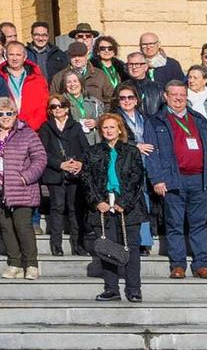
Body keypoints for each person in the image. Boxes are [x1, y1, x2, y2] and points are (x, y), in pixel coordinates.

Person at [0, 96, 47, 280]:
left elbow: (40, 158)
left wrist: (25, 177)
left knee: (23, 226)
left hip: (21, 189)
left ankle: (31, 264)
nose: (6, 117)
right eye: (1, 113)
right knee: (6, 228)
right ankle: (14, 263)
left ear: (15, 114)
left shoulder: (27, 133)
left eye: (9, 113)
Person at [151, 81, 207, 279]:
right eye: (174, 95)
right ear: (166, 96)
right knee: (175, 224)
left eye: (182, 94)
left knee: (199, 224)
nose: (178, 98)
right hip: (173, 180)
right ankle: (178, 265)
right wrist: (157, 179)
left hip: (199, 179)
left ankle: (200, 264)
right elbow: (151, 153)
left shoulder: (198, 119)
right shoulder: (157, 121)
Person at [83, 114, 148, 302]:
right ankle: (111, 289)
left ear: (120, 129)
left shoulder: (131, 151)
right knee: (107, 248)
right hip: (102, 206)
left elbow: (136, 179)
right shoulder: (92, 152)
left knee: (131, 248)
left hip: (128, 207)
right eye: (105, 128)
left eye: (112, 127)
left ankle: (134, 289)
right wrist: (97, 201)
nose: (109, 130)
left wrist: (123, 202)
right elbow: (87, 179)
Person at [39, 95, 90, 256]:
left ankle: (78, 244)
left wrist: (79, 163)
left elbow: (85, 149)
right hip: (56, 173)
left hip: (74, 173)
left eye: (60, 105)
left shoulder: (75, 126)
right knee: (57, 207)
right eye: (53, 106)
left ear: (67, 107)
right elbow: (43, 151)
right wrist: (60, 164)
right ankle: (56, 244)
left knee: (76, 208)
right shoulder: (46, 127)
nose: (57, 109)